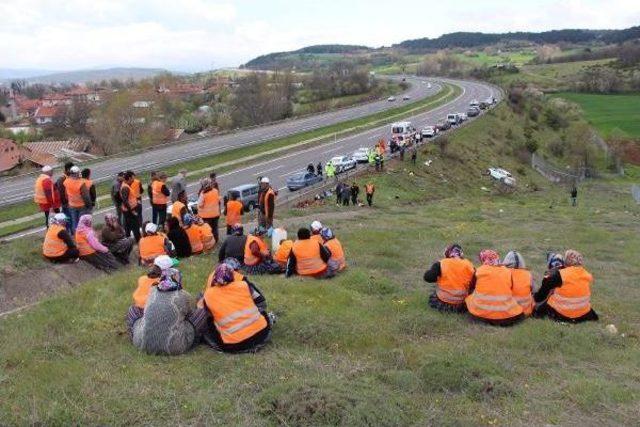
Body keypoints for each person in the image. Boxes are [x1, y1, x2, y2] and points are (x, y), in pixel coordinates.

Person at [129, 256, 203, 355]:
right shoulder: (183, 295)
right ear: (178, 280)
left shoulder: (152, 290)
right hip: (174, 348)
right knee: (201, 313)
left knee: (132, 310)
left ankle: (139, 335)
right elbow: (191, 314)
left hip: (142, 345)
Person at [201, 263, 273, 353]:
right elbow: (261, 302)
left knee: (209, 326)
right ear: (232, 275)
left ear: (214, 277)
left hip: (235, 345)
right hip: (262, 334)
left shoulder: (208, 295)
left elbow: (208, 320)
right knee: (261, 313)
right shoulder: (243, 285)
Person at [534, 250, 598, 323]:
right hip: (584, 314)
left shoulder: (560, 275)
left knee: (540, 308)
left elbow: (543, 291)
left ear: (566, 261)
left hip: (563, 315)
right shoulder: (587, 274)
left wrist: (536, 298)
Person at [465, 250, 524, 326]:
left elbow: (471, 288)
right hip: (506, 316)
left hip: (480, 315)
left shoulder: (479, 270)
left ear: (483, 259)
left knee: (469, 298)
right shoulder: (507, 271)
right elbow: (511, 288)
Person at [423, 244, 475, 312]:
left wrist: (437, 275)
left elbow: (428, 277)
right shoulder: (469, 265)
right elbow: (475, 284)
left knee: (433, 294)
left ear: (447, 253)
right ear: (461, 254)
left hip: (443, 303)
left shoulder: (441, 263)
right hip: (461, 304)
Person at [503, 250, 534, 316]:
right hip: (526, 311)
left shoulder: (504, 273)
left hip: (509, 312)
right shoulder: (528, 274)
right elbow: (532, 290)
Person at [63, 165, 91, 233]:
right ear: (77, 173)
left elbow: (66, 194)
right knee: (82, 223)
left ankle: (76, 236)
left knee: (74, 222)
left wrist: (69, 202)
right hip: (82, 206)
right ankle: (82, 236)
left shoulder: (66, 181)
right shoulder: (81, 183)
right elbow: (86, 196)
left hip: (72, 205)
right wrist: (89, 205)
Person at [197, 178, 221, 243]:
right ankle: (216, 240)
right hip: (215, 214)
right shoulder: (215, 191)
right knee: (215, 228)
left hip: (206, 216)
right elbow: (219, 200)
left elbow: (200, 205)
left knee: (208, 229)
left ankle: (210, 242)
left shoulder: (203, 193)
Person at [120, 171, 141, 242]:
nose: (133, 180)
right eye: (133, 178)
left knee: (128, 226)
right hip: (130, 211)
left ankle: (128, 240)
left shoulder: (125, 185)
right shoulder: (125, 187)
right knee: (135, 226)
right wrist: (132, 211)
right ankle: (139, 241)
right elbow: (125, 201)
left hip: (127, 210)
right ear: (129, 178)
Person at [55, 162, 74, 232]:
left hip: (70, 203)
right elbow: (61, 193)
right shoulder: (62, 179)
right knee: (69, 220)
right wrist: (65, 203)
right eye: (71, 170)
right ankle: (70, 234)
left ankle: (71, 233)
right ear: (68, 169)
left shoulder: (68, 177)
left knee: (70, 220)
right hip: (66, 204)